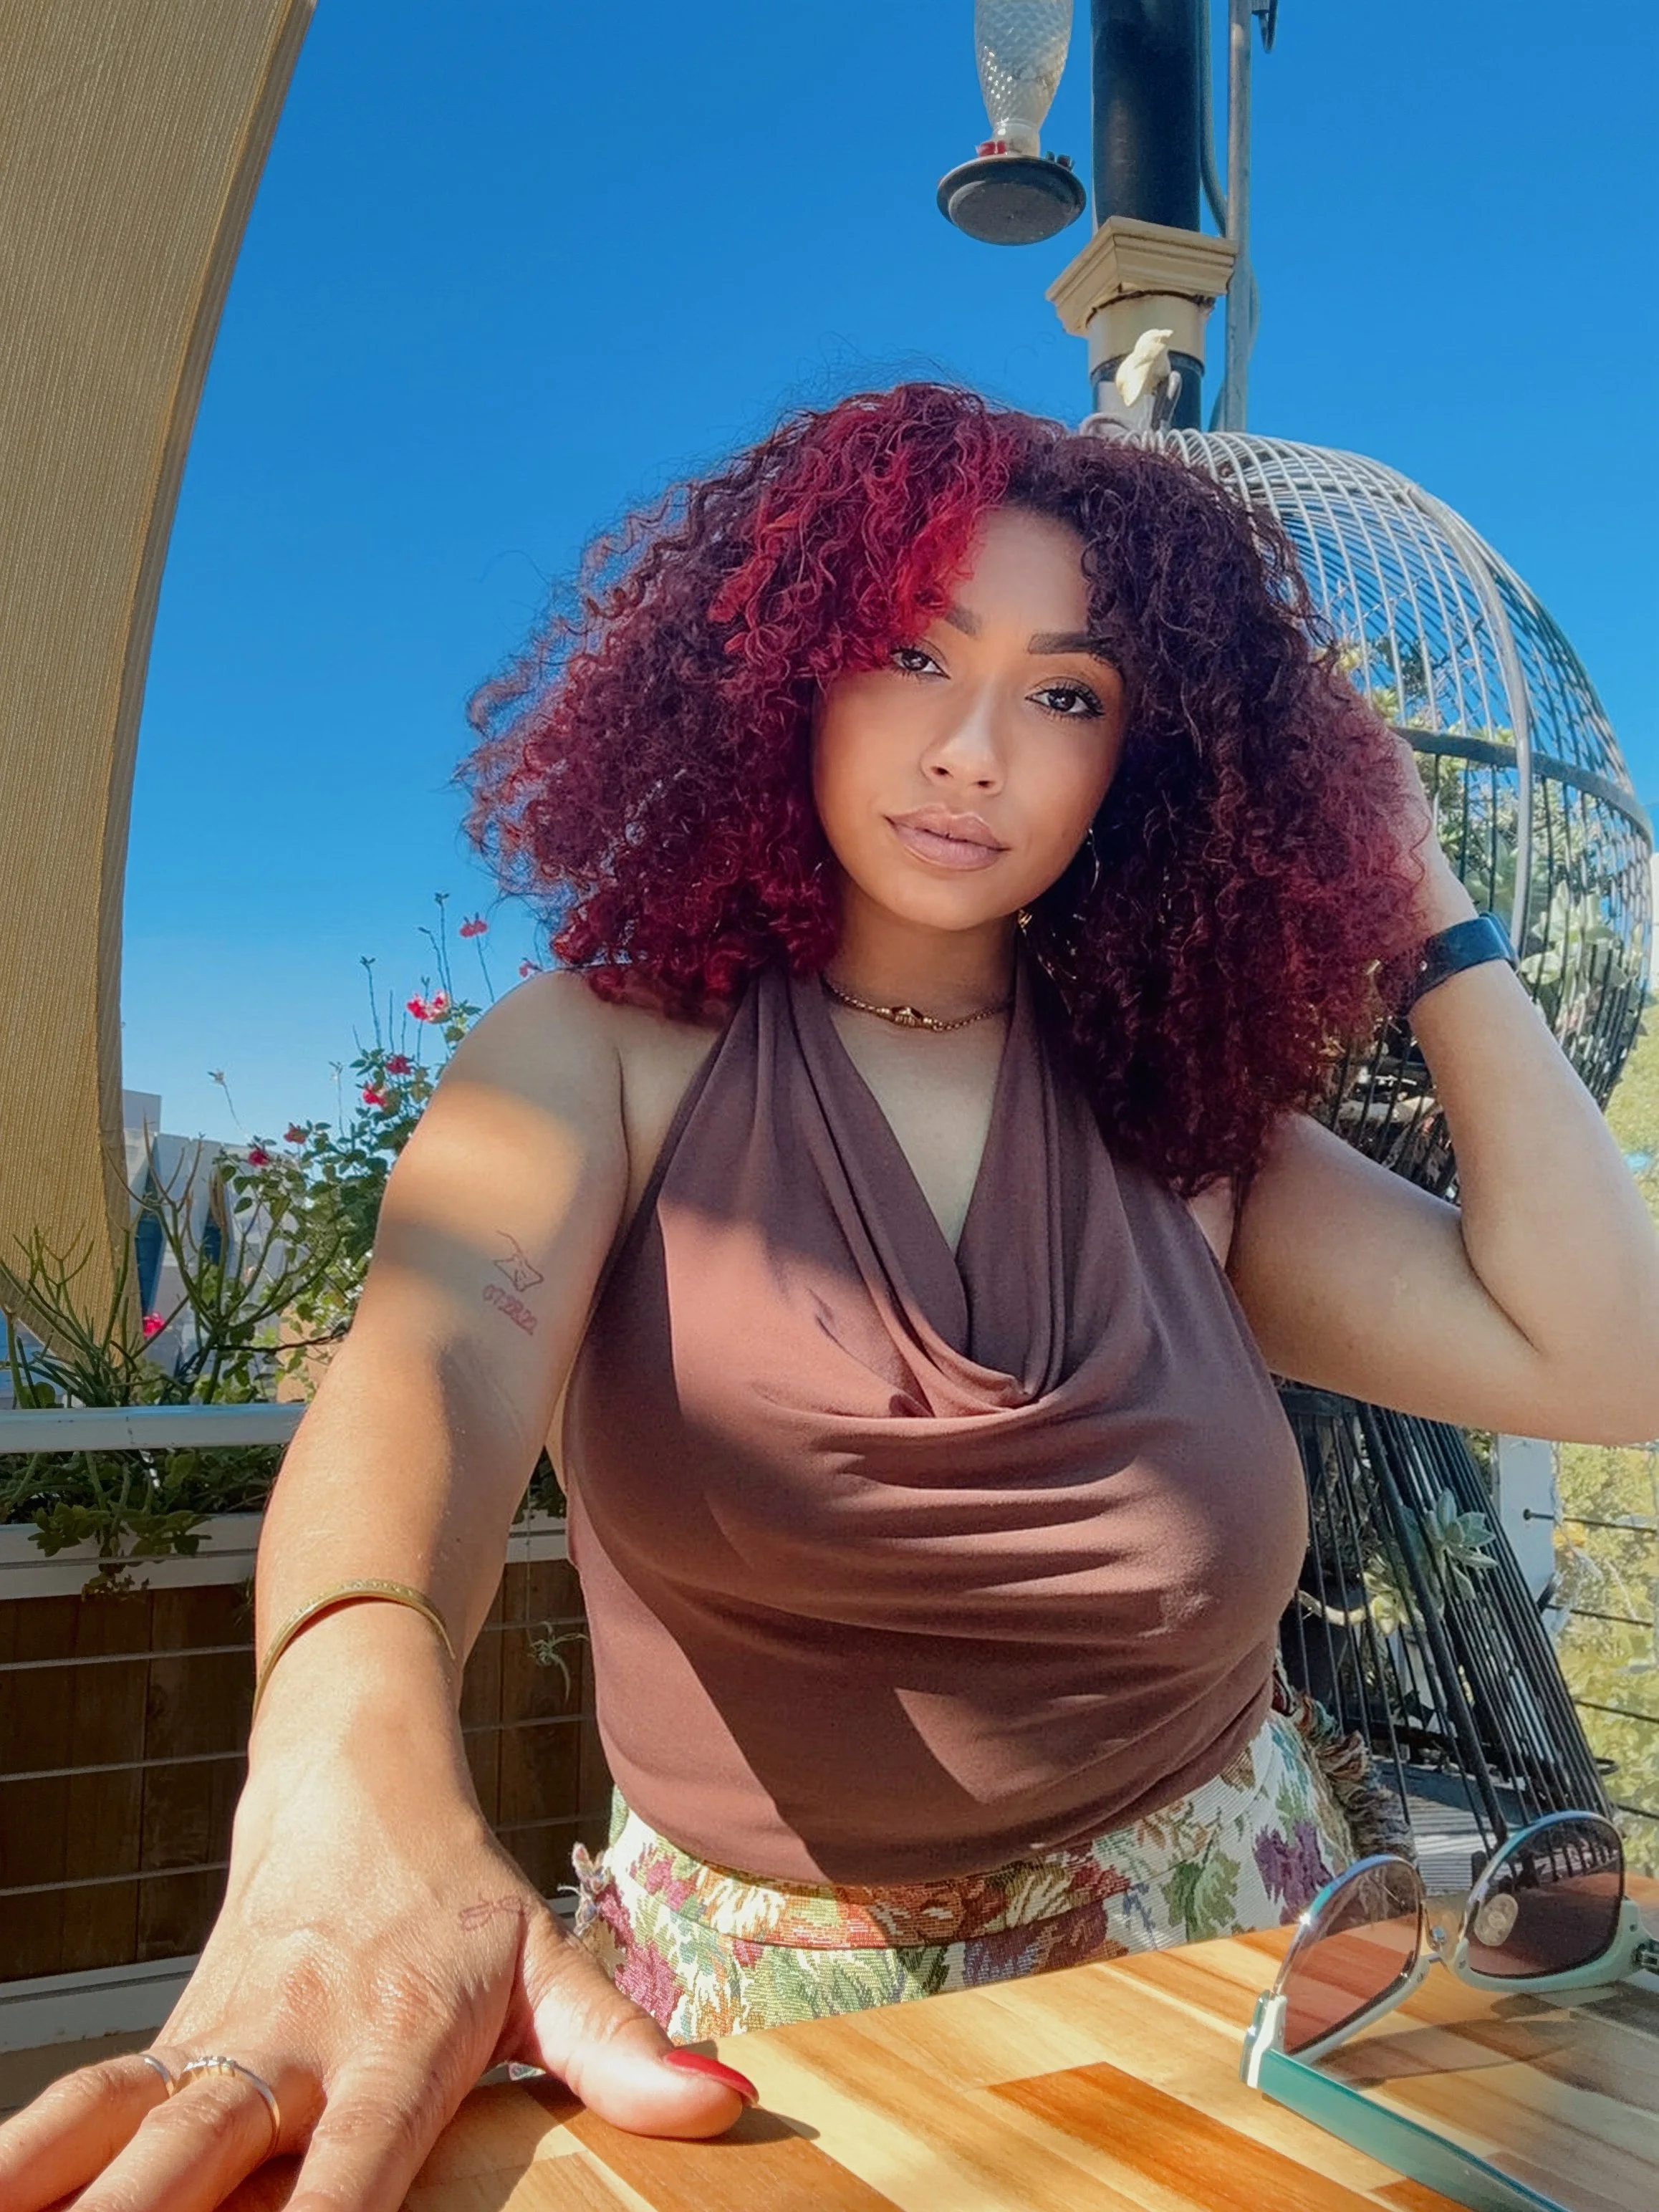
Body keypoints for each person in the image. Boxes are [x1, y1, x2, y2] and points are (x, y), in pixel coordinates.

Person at [5, 383, 1657, 2211]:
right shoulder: (605, 1055)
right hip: (770, 2079)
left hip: (1230, 2003)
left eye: (1066, 694)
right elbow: (430, 1359)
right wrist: (337, 1755)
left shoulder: (1183, 1116)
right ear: (780, 667)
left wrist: (1412, 889)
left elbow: (1609, 1352)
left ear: (1149, 758)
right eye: (909, 652)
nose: (974, 751)